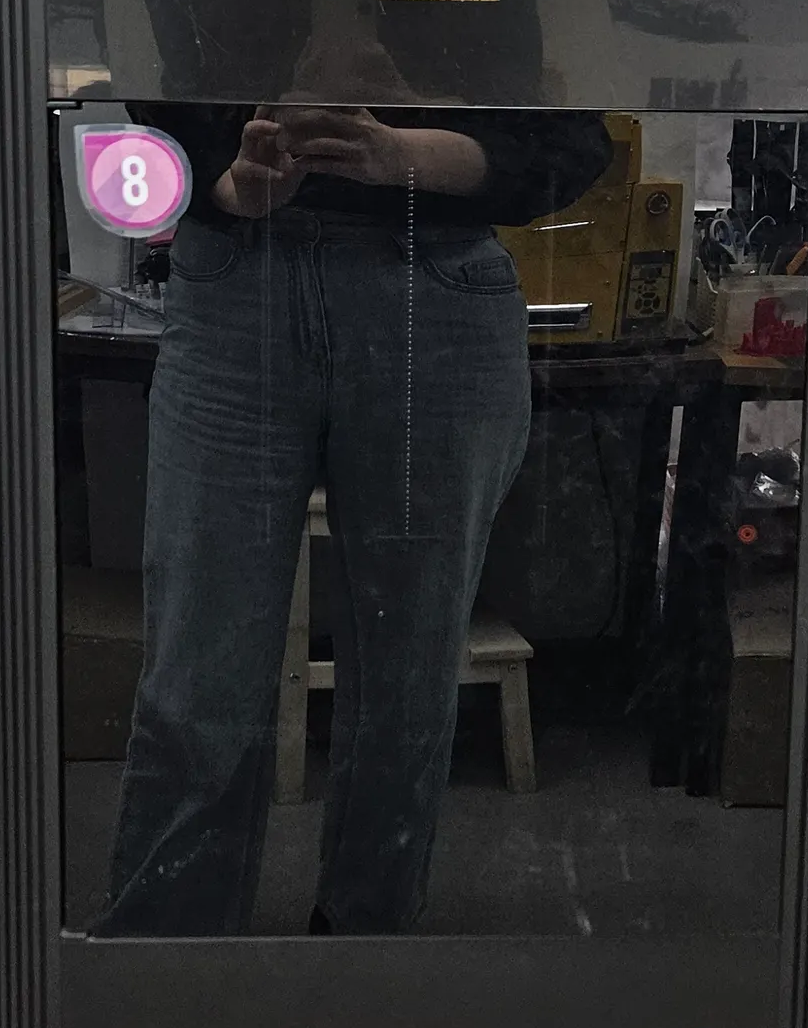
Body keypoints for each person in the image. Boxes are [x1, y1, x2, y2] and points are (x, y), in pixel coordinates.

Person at [97, 100, 613, 933]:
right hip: (253, 270)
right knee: (200, 672)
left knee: (405, 677)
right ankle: (173, 967)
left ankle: (349, 958)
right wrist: (229, 182)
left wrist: (398, 153)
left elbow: (567, 142)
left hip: (424, 284)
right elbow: (159, 87)